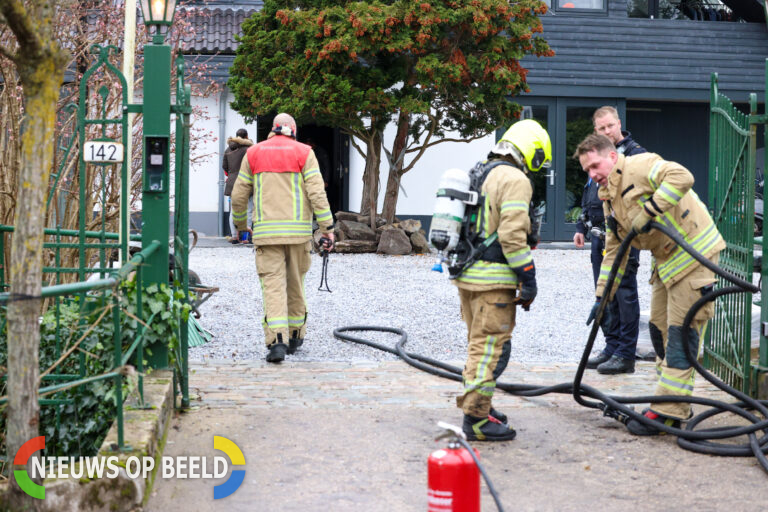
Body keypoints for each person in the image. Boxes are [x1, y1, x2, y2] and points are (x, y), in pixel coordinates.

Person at [574, 133, 725, 435]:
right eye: (587, 171)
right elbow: (616, 248)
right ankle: (670, 401)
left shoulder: (642, 166)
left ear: (612, 156)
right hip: (667, 263)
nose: (592, 175)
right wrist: (603, 295)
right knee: (659, 332)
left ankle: (669, 411)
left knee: (681, 337)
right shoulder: (608, 197)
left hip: (695, 257)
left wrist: (650, 209)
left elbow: (683, 176)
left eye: (595, 166)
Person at [451, 119, 551, 442]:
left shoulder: (480, 171)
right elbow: (511, 236)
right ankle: (477, 419)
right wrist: (529, 276)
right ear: (531, 152)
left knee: (477, 345)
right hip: (493, 281)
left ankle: (482, 406)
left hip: (467, 275)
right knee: (489, 349)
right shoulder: (515, 179)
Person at [230, 113, 335, 363]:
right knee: (295, 284)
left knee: (273, 287)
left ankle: (277, 341)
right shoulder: (304, 153)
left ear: (272, 130)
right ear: (293, 131)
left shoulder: (254, 153)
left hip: (267, 236)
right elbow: (317, 193)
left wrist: (242, 225)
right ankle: (296, 335)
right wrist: (327, 227)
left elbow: (238, 195)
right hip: (299, 236)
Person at [573, 106, 645, 374]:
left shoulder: (637, 154)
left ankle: (626, 353)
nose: (606, 132)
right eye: (601, 128)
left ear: (619, 124)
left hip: (625, 237)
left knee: (624, 294)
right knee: (604, 294)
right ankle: (611, 347)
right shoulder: (596, 156)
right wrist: (581, 224)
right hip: (598, 236)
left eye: (610, 127)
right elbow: (591, 191)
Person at [222, 128, 253, 243]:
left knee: (233, 211)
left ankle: (234, 236)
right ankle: (245, 238)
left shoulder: (227, 149)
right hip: (246, 183)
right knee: (248, 210)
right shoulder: (248, 149)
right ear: (246, 136)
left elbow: (224, 167)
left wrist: (231, 175)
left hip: (232, 183)